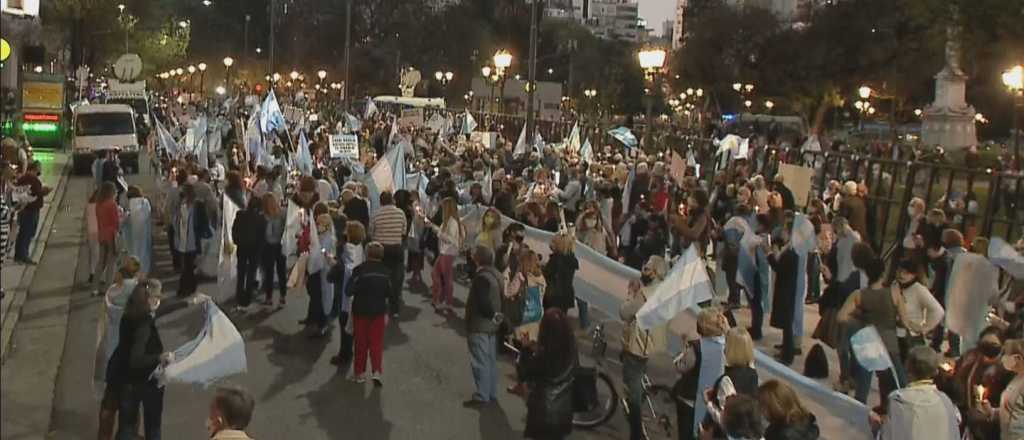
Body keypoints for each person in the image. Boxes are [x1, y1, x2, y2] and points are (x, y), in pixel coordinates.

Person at [107, 279, 175, 440]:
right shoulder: (144, 324)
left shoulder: (129, 315)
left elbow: (162, 310)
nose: (159, 301)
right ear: (148, 299)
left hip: (126, 380)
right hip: (147, 381)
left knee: (126, 427)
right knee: (153, 426)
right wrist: (159, 357)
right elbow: (136, 359)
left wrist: (189, 302)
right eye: (157, 297)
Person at [838, 257, 909, 406]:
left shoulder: (859, 294)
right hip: (889, 342)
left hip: (869, 340)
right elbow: (905, 322)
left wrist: (860, 320)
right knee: (899, 382)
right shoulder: (894, 293)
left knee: (863, 384)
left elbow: (841, 317)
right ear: (883, 273)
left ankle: (859, 411)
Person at [621, 256, 670, 440]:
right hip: (656, 345)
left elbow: (625, 312)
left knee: (632, 390)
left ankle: (636, 433)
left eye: (647, 269)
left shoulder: (644, 294)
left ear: (656, 273)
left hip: (639, 347)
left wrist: (631, 294)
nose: (643, 271)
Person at [94, 257, 142, 440]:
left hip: (113, 357)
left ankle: (103, 436)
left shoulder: (111, 294)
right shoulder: (137, 295)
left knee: (109, 401)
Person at [871, 346, 959, 440]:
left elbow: (889, 436)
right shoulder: (945, 400)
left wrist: (876, 428)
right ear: (936, 372)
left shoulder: (898, 400)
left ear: (908, 370)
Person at [522, 308, 578, 440]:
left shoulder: (544, 356)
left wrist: (525, 349)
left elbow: (525, 372)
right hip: (563, 410)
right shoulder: (571, 350)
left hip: (543, 412)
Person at [674, 307, 729, 440]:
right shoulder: (726, 345)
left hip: (690, 399)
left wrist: (683, 350)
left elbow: (682, 366)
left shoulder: (696, 347)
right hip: (713, 402)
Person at [463, 245, 504, 408]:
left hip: (479, 324)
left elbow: (482, 301)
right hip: (492, 327)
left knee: (480, 360)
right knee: (490, 360)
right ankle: (491, 392)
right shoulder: (497, 275)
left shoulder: (482, 278)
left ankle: (482, 394)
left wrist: (491, 314)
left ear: (478, 258)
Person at [347, 242, 392, 386]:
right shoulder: (386, 272)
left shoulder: (359, 270)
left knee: (361, 343)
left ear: (367, 254)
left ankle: (359, 374)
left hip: (361, 311)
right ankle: (376, 371)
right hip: (379, 312)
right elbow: (390, 294)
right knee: (376, 343)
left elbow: (349, 290)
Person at [892, 259, 944, 359]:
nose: (902, 275)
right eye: (900, 271)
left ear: (914, 275)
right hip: (894, 334)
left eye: (906, 273)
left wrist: (925, 327)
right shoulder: (895, 285)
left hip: (910, 337)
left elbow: (938, 310)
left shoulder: (918, 289)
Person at [370, 191, 408, 318]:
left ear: (380, 201)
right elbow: (404, 231)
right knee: (396, 279)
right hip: (396, 248)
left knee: (380, 277)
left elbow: (371, 232)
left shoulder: (376, 214)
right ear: (392, 200)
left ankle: (379, 304)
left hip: (381, 249)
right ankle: (395, 308)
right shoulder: (400, 213)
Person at [423, 197, 465, 312]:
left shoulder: (452, 222)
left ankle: (444, 300)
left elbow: (449, 239)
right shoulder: (450, 221)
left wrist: (436, 230)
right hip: (445, 252)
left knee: (444, 277)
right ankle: (441, 299)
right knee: (439, 275)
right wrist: (433, 227)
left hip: (448, 252)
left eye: (443, 207)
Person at [170, 183, 212, 298]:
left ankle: (184, 288)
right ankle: (191, 287)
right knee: (188, 265)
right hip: (182, 239)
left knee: (187, 265)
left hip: (193, 240)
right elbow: (176, 220)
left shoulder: (198, 205)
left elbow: (203, 221)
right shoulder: (181, 205)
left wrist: (203, 233)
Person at [232, 197, 267, 312]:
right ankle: (248, 295)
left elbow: (234, 229)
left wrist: (236, 240)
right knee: (251, 272)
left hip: (242, 246)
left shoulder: (240, 214)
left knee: (241, 270)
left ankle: (239, 293)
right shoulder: (261, 219)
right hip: (255, 248)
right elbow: (263, 235)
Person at [13, 160, 51, 265]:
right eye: (40, 167)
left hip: (26, 209)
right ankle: (23, 255)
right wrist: (46, 191)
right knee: (27, 233)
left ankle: (19, 255)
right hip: (30, 210)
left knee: (24, 233)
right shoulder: (31, 178)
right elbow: (36, 192)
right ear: (36, 168)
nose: (41, 169)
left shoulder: (26, 177)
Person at [542, 232, 580, 315]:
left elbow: (548, 274)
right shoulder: (571, 259)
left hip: (554, 296)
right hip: (566, 294)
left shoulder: (556, 260)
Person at [94, 182, 121, 296]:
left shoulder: (98, 204)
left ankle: (94, 287)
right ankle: (107, 288)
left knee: (101, 262)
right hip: (111, 236)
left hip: (101, 234)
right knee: (111, 262)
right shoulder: (112, 204)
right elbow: (116, 223)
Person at [260, 193, 287, 306]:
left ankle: (269, 297)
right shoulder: (282, 213)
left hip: (268, 246)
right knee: (281, 271)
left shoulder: (263, 215)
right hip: (279, 245)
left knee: (269, 272)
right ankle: (282, 296)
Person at [123, 186, 154, 277]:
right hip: (144, 233)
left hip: (131, 235)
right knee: (144, 252)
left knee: (133, 252)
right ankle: (143, 273)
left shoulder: (128, 204)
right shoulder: (145, 202)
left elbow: (125, 220)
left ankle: (134, 273)